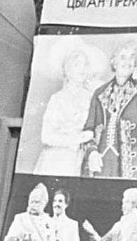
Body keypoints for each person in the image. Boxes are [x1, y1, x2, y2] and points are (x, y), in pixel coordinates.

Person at [80, 42, 137, 179]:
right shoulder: (99, 93)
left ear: (135, 63)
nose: (127, 62)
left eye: (132, 57)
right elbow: (88, 129)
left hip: (129, 160)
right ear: (114, 62)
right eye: (123, 57)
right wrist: (92, 152)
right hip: (100, 160)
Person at [35, 43, 96, 175]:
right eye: (77, 65)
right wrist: (76, 138)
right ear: (67, 70)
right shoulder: (57, 99)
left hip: (81, 160)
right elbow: (46, 136)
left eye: (85, 64)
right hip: (57, 160)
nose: (82, 69)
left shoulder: (91, 98)